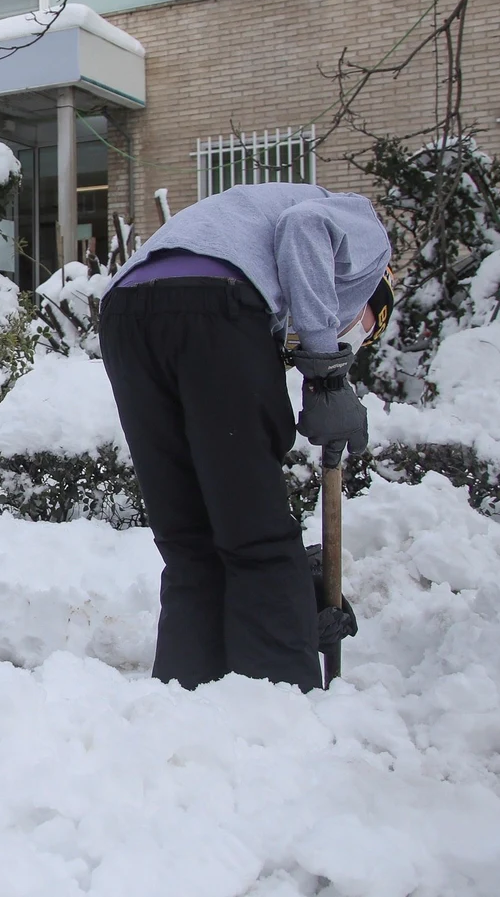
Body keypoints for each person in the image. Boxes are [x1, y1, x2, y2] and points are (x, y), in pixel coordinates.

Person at [98, 182, 394, 693]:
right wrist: (327, 371)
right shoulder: (365, 237)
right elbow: (305, 229)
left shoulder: (245, 230)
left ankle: (183, 709)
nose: (351, 338)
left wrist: (296, 602)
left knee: (191, 546)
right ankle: (278, 719)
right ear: (370, 294)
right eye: (361, 329)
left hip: (125, 316)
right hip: (211, 307)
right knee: (258, 542)